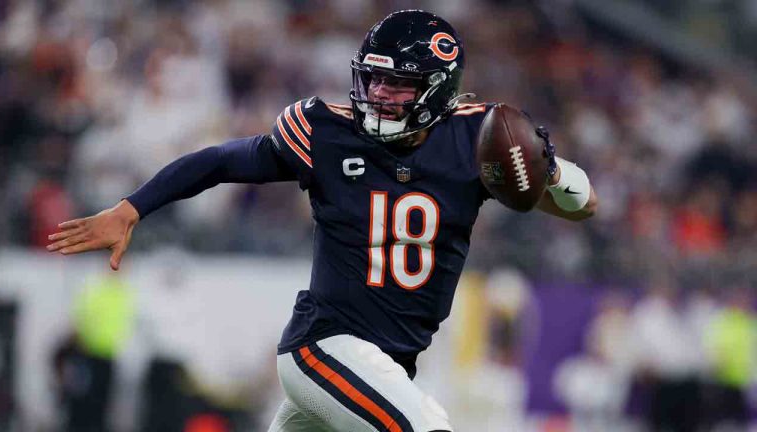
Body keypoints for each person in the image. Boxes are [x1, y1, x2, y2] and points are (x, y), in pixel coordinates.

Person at [48, 10, 597, 431]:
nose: (379, 95)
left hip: (387, 361)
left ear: (437, 91)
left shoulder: (477, 139)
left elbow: (579, 202)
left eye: (397, 85)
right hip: (325, 346)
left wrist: (550, 175)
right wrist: (131, 208)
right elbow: (219, 161)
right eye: (373, 80)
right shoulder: (325, 132)